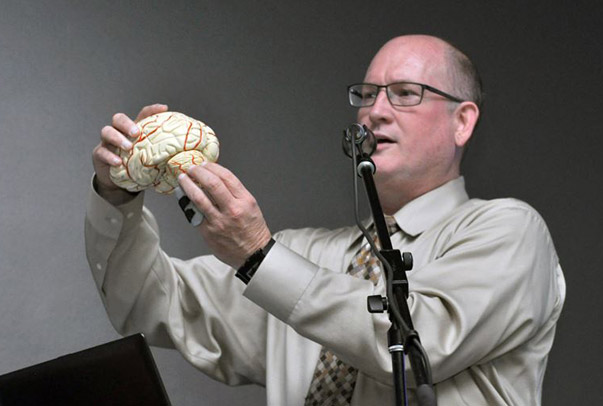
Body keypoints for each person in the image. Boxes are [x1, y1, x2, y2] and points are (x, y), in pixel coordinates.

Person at [86, 34, 565, 405]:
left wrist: (259, 257)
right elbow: (149, 305)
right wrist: (118, 195)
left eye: (404, 94)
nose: (375, 112)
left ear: (462, 121)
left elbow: (420, 346)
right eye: (368, 94)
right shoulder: (303, 256)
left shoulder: (509, 230)